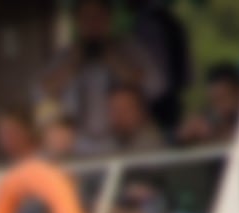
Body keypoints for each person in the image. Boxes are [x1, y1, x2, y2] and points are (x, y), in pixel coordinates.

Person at [37, 0, 162, 153]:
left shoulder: (128, 49)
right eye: (86, 18)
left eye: (98, 17)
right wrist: (72, 64)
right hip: (78, 143)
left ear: (109, 19)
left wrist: (115, 61)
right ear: (77, 22)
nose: (92, 24)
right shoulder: (66, 55)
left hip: (122, 142)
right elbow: (40, 92)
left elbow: (156, 87)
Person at [126, 0, 192, 136]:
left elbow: (152, 68)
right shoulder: (168, 19)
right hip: (169, 97)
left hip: (159, 101)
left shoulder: (149, 23)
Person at [178, 63, 239, 145]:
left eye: (223, 99)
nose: (219, 108)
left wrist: (216, 136)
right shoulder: (210, 119)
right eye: (213, 102)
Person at [105, 84, 164, 153]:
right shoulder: (110, 139)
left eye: (125, 109)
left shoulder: (151, 142)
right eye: (114, 110)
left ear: (140, 111)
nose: (119, 116)